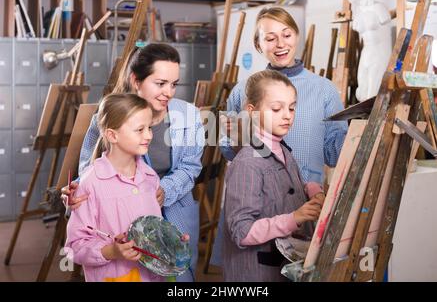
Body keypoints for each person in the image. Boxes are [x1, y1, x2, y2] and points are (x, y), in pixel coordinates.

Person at [213, 6, 348, 267]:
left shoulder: (324, 90)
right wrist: (234, 136)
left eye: (286, 35)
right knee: (253, 273)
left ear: (297, 37)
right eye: (270, 37)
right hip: (255, 204)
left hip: (305, 205)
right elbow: (228, 151)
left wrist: (358, 133)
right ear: (258, 44)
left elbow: (333, 154)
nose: (280, 44)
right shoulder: (244, 90)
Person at [62, 43, 205, 282]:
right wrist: (76, 190)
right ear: (136, 81)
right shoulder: (107, 118)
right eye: (160, 84)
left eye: (173, 84)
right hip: (121, 225)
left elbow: (191, 167)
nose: (168, 92)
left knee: (177, 277)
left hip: (175, 214)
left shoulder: (190, 116)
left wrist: (163, 190)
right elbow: (89, 169)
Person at [223, 70, 325, 281]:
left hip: (283, 266)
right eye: (277, 108)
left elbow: (283, 185)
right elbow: (241, 231)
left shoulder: (283, 149)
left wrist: (312, 190)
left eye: (292, 108)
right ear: (252, 111)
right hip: (256, 273)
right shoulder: (247, 162)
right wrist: (294, 218)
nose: (287, 115)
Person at [65, 93, 163, 282]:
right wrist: (111, 251)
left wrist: (171, 241)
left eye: (149, 128)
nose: (149, 135)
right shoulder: (90, 183)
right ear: (112, 135)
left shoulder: (150, 177)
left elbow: (155, 231)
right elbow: (74, 247)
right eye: (140, 129)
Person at [344, 0, 392, 102]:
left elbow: (387, 34)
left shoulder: (379, 8)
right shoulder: (359, 13)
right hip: (366, 51)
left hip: (379, 50)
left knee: (373, 90)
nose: (351, 0)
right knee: (362, 88)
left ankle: (373, 116)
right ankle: (367, 116)